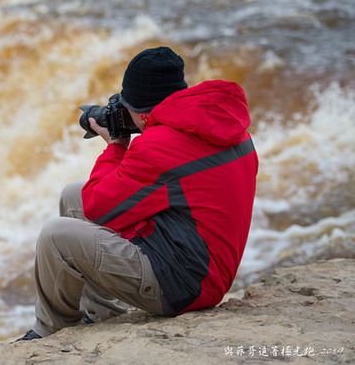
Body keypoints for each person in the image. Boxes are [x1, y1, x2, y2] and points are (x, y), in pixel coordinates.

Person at [17, 46, 258, 341]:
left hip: (186, 286)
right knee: (72, 196)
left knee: (57, 235)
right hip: (203, 263)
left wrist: (116, 146)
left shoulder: (158, 145)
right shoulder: (226, 125)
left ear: (142, 114)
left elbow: (98, 209)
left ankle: (51, 333)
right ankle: (104, 315)